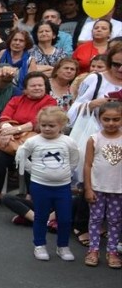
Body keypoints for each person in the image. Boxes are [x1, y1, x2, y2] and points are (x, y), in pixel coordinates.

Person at [0, 73, 58, 208]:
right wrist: (6, 130)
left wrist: (16, 130)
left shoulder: (50, 101)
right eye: (33, 85)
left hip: (35, 140)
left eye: (40, 85)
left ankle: (31, 195)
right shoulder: (16, 100)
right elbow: (4, 117)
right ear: (25, 89)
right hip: (12, 140)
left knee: (33, 159)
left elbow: (40, 122)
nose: (37, 88)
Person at [16, 106, 79, 261]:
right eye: (44, 125)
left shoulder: (68, 141)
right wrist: (34, 171)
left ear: (61, 126)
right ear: (39, 124)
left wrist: (66, 172)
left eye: (52, 126)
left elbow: (74, 158)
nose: (47, 128)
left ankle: (63, 246)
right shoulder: (33, 141)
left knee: (64, 218)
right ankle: (39, 245)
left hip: (62, 187)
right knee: (41, 217)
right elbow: (21, 156)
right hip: (40, 186)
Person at [82, 101, 122, 268]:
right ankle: (93, 249)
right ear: (99, 119)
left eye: (116, 119)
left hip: (118, 189)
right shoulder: (94, 139)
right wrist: (88, 188)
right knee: (96, 219)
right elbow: (88, 164)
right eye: (106, 119)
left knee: (115, 220)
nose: (111, 123)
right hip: (98, 188)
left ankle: (112, 251)